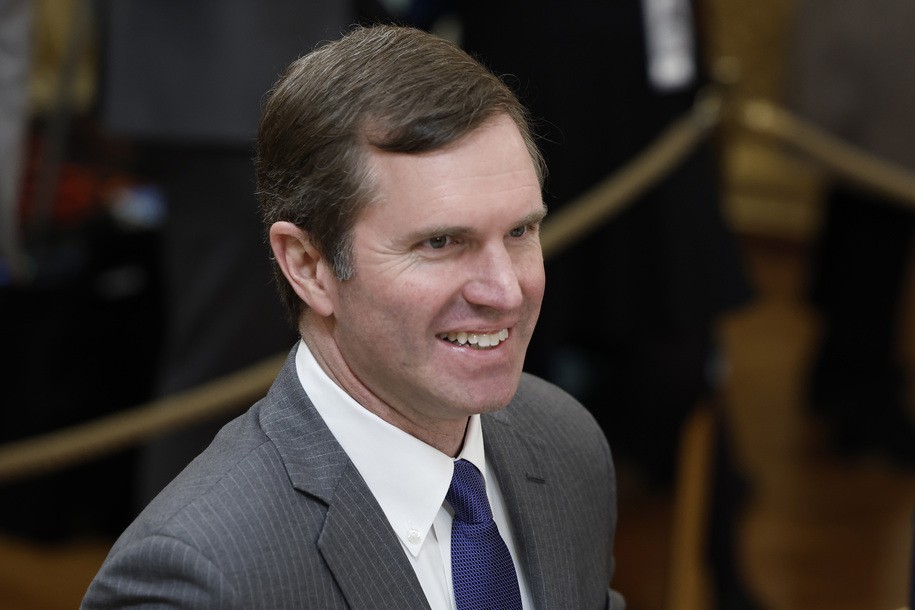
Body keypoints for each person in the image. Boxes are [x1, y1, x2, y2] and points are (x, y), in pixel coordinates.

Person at [82, 24, 625, 609]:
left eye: (520, 231)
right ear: (309, 265)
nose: (506, 291)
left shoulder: (566, 444)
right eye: (441, 242)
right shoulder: (197, 577)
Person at [786, 0, 915, 467]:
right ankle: (858, 390)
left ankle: (843, 374)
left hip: (872, 57)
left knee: (866, 218)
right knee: (873, 217)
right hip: (874, 54)